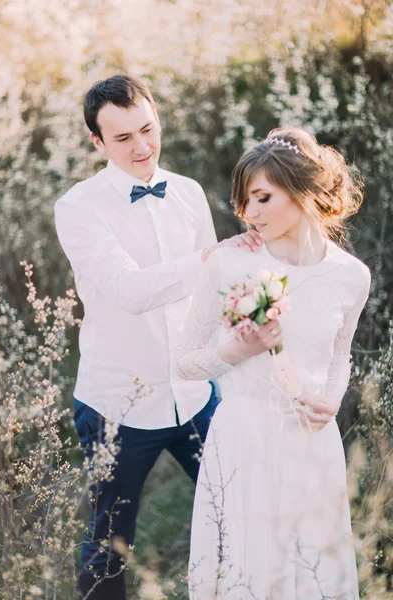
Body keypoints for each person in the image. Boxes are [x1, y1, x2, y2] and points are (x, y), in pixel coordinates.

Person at [54, 74, 264, 599]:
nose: (142, 147)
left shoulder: (188, 192)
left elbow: (212, 296)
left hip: (196, 394)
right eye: (123, 138)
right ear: (96, 143)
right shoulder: (78, 208)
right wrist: (210, 259)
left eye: (148, 129)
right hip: (119, 404)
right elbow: (128, 290)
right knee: (109, 541)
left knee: (243, 508)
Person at [177, 128, 370, 599]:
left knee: (309, 569)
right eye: (245, 201)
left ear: (302, 189)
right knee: (247, 566)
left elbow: (339, 354)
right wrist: (237, 352)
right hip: (243, 436)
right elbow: (184, 362)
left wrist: (330, 400)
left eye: (262, 198)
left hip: (311, 442)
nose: (249, 213)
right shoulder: (229, 266)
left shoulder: (351, 276)